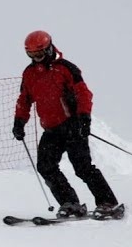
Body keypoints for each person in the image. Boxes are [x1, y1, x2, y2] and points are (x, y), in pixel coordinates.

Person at [11, 30, 123, 219]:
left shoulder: (66, 68)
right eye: (31, 55)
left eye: (39, 54)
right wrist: (19, 122)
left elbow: (83, 93)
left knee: (82, 167)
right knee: (46, 167)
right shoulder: (29, 74)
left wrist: (84, 118)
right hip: (51, 129)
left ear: (48, 49)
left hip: (72, 125)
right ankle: (70, 203)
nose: (36, 59)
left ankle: (108, 203)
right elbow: (24, 100)